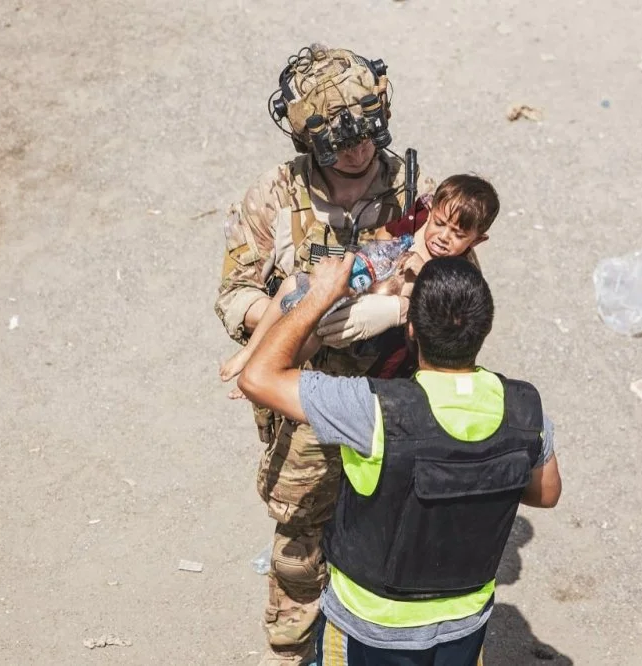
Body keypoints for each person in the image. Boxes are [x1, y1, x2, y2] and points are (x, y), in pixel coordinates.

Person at [215, 44, 431, 664]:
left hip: (393, 400)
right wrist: (295, 317)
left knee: (391, 536)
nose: (359, 152)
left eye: (367, 134)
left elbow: (458, 299)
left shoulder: (416, 191)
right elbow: (234, 294)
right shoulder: (273, 198)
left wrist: (396, 310)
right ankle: (291, 652)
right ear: (309, 138)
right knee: (298, 548)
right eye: (339, 142)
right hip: (302, 399)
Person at [238, 256, 562, 664]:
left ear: (410, 330)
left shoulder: (373, 409)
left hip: (370, 626)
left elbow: (256, 378)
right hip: (464, 622)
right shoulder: (525, 411)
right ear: (485, 329)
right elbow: (546, 493)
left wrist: (318, 295)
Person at [219, 174, 499, 390]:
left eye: (458, 234)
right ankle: (250, 353)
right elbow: (383, 234)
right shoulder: (420, 217)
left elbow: (445, 318)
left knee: (318, 327)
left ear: (477, 240)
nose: (443, 237)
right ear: (433, 208)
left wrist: (422, 276)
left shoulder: (457, 272)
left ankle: (268, 374)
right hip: (364, 285)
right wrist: (385, 254)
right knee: (291, 287)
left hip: (383, 354)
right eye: (440, 223)